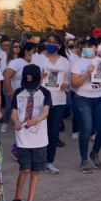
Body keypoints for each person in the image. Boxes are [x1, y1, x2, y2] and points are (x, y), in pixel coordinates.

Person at [10, 65, 51, 201]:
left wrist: (37, 120)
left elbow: (46, 111)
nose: (30, 88)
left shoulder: (45, 92)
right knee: (24, 169)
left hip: (39, 139)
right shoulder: (19, 92)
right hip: (23, 138)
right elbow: (14, 112)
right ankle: (17, 199)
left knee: (35, 171)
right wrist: (15, 121)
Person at [71, 37, 101, 173]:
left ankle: (94, 153)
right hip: (83, 98)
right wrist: (87, 73)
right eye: (85, 46)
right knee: (86, 130)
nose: (87, 49)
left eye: (90, 46)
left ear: (96, 47)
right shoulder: (78, 63)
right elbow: (74, 84)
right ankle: (84, 159)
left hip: (100, 98)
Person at [32, 34, 71, 175]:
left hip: (58, 100)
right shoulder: (38, 58)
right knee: (37, 130)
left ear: (59, 46)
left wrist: (66, 84)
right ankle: (36, 160)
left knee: (53, 132)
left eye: (54, 42)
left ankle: (49, 161)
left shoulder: (65, 62)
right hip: (40, 99)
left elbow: (68, 80)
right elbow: (30, 77)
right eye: (49, 41)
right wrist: (38, 78)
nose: (51, 44)